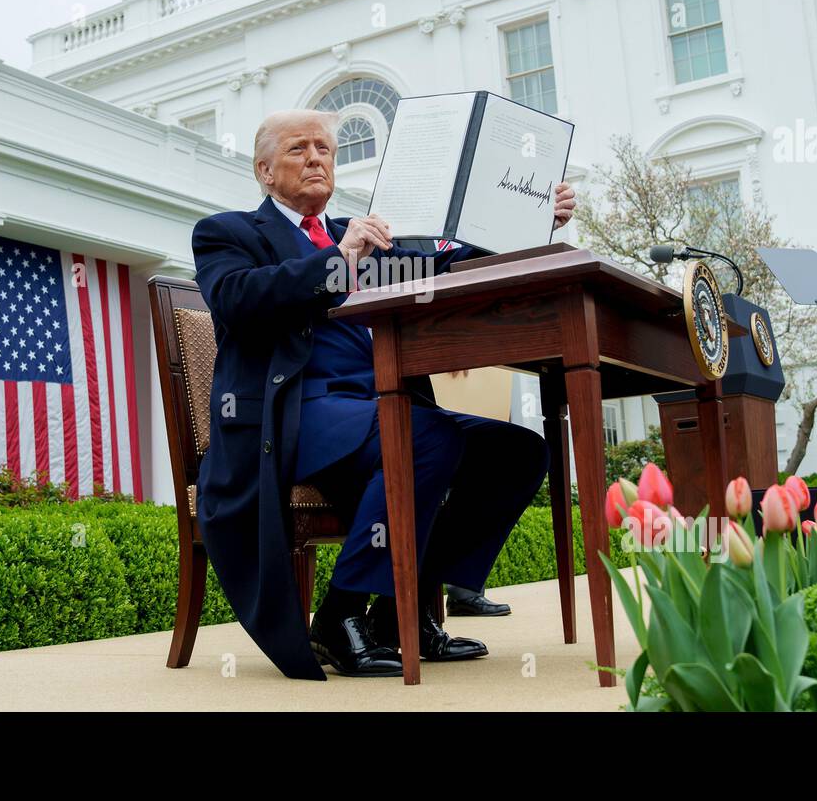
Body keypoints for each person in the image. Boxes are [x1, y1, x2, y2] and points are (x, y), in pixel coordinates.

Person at [190, 108, 576, 680]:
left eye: (325, 149)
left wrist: (527, 222)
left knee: (517, 452)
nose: (317, 158)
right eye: (299, 149)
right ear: (265, 172)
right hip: (296, 413)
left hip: (381, 406)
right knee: (426, 435)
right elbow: (236, 300)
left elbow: (446, 263)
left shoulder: (363, 235)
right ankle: (340, 613)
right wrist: (338, 262)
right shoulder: (232, 232)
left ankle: (405, 611)